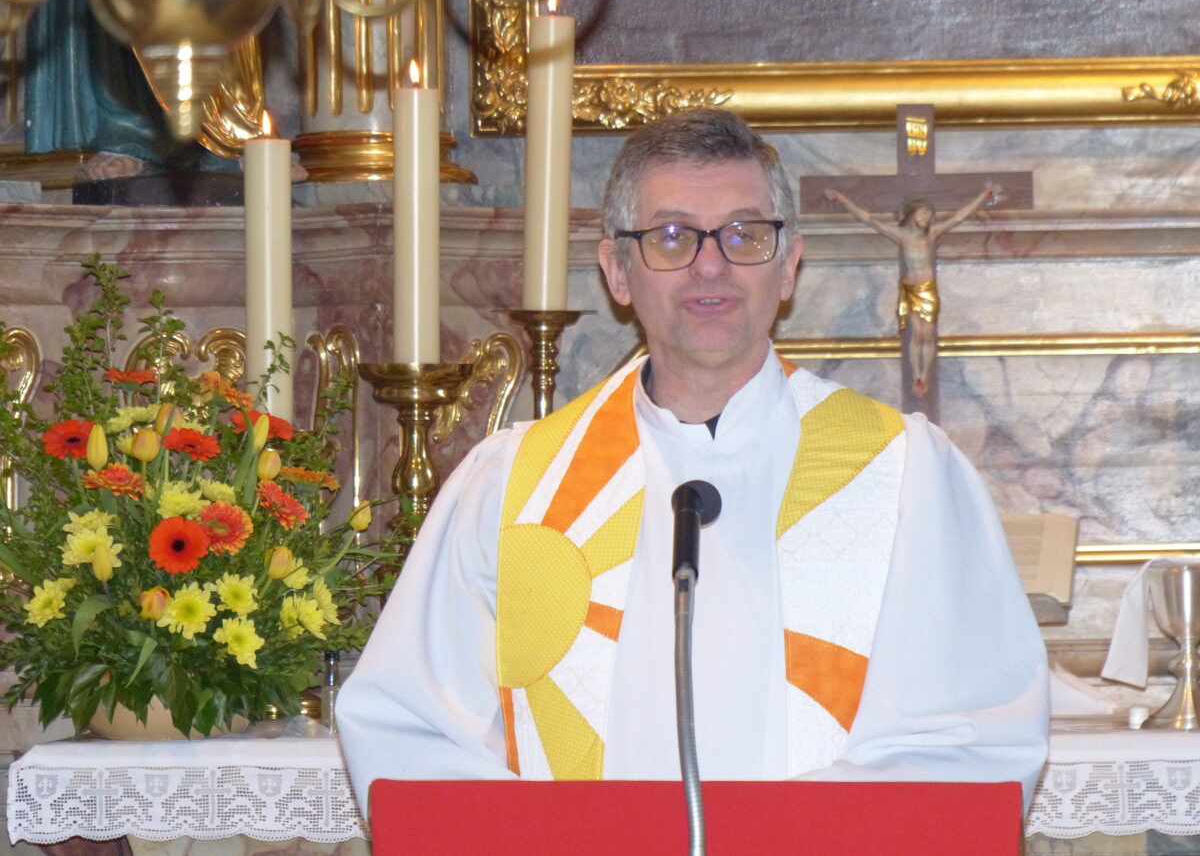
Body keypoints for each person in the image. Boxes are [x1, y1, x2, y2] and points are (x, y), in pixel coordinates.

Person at [337, 109, 1048, 815]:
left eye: (744, 234)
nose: (711, 266)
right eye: (672, 236)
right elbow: (413, 736)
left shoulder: (904, 477)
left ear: (789, 263)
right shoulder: (510, 488)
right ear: (617, 271)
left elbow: (970, 743)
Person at [824, 185, 1000, 395]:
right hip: (910, 288)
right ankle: (917, 376)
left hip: (928, 289)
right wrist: (841, 198)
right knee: (916, 335)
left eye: (930, 215)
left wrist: (982, 196)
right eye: (924, 213)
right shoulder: (901, 235)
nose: (928, 218)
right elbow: (868, 219)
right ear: (912, 214)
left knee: (928, 334)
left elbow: (959, 217)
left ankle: (925, 373)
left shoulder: (931, 235)